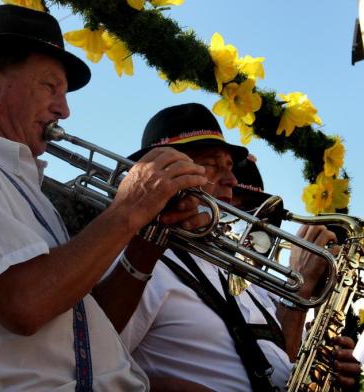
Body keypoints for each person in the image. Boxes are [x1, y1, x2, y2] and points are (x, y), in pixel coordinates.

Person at [0, 5, 211, 391]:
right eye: (50, 86)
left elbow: (86, 319)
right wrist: (128, 209)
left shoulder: (25, 184)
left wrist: (148, 240)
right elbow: (25, 304)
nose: (63, 110)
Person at [104, 103, 361, 391]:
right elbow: (94, 364)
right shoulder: (136, 266)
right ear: (163, 173)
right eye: (212, 165)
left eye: (229, 166)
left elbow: (273, 362)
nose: (232, 180)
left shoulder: (234, 275)